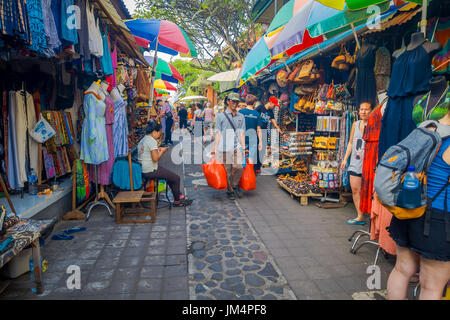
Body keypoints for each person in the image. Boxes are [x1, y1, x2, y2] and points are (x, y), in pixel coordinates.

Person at [387, 108, 450, 300]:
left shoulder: (427, 128)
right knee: (431, 287)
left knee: (401, 270)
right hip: (438, 219)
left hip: (409, 207)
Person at [138, 120, 193, 207]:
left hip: (145, 169)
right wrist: (163, 151)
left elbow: (148, 153)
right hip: (151, 170)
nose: (160, 134)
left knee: (170, 177)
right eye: (159, 132)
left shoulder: (143, 139)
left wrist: (158, 149)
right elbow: (155, 158)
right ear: (154, 132)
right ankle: (177, 201)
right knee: (176, 178)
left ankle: (179, 195)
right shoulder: (151, 141)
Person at [340, 102, 373, 225]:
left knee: (369, 190)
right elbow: (350, 143)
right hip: (355, 161)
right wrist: (345, 159)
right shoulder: (355, 124)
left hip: (369, 163)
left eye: (366, 109)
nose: (363, 112)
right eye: (362, 109)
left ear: (371, 111)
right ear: (358, 111)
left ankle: (372, 215)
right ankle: (360, 216)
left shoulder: (374, 125)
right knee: (355, 189)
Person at [213, 92, 246, 200]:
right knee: (227, 170)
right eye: (233, 101)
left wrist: (244, 147)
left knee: (238, 167)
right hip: (224, 147)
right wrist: (215, 147)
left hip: (236, 146)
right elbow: (218, 132)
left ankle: (234, 185)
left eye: (237, 101)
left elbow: (241, 133)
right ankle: (230, 191)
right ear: (228, 101)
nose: (235, 104)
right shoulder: (221, 116)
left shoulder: (241, 116)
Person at [255, 97, 284, 173]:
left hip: (264, 132)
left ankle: (258, 166)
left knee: (262, 150)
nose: (274, 107)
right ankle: (254, 165)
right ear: (270, 102)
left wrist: (281, 132)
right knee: (256, 148)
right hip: (257, 131)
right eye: (274, 105)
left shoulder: (270, 112)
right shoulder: (260, 108)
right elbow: (254, 116)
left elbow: (275, 124)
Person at [239, 94, 262, 168]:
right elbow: (259, 130)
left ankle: (242, 177)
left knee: (242, 159)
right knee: (251, 159)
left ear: (246, 102)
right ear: (254, 103)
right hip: (253, 140)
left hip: (242, 139)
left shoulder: (240, 112)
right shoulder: (257, 114)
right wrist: (261, 142)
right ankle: (249, 177)